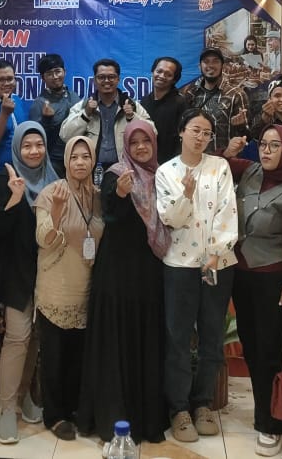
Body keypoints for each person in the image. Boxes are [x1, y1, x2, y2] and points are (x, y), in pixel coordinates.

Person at [76, 120, 170, 445]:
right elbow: (110, 217)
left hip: (149, 271)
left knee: (146, 338)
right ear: (126, 146)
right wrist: (119, 193)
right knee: (116, 340)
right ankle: (114, 415)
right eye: (134, 142)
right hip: (117, 271)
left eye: (146, 141)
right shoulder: (116, 174)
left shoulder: (163, 175)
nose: (141, 147)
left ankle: (148, 417)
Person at [155, 109, 239, 443]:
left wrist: (217, 252)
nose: (201, 137)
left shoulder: (220, 166)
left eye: (206, 133)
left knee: (212, 336)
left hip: (218, 264)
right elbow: (170, 219)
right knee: (177, 338)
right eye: (195, 130)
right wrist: (186, 195)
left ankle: (203, 403)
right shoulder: (166, 172)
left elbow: (227, 209)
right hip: (179, 265)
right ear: (181, 132)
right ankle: (179, 409)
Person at [227, 124, 282, 456]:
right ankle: (265, 412)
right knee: (252, 348)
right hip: (241, 276)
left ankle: (273, 425)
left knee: (272, 352)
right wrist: (230, 150)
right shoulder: (250, 172)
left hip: (273, 280)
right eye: (263, 144)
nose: (267, 150)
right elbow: (213, 163)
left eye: (275, 146)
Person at [34, 135, 105, 440]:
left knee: (78, 355)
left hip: (87, 286)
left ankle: (74, 408)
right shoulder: (52, 193)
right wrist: (58, 211)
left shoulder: (98, 197)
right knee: (54, 356)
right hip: (56, 286)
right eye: (74, 157)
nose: (80, 162)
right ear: (65, 161)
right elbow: (43, 238)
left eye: (85, 157)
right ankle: (54, 415)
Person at [0, 121, 57, 443]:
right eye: (27, 145)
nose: (34, 151)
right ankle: (7, 409)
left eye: (39, 144)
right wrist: (15, 198)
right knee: (17, 338)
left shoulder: (54, 181)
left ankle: (25, 395)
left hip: (48, 273)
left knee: (35, 340)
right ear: (17, 147)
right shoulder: (5, 180)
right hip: (17, 274)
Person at [62, 59, 154, 169]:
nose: (106, 81)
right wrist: (85, 114)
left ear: (118, 79)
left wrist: (132, 117)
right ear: (94, 80)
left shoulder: (132, 105)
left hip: (124, 168)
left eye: (111, 77)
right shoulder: (83, 106)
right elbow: (65, 136)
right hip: (91, 169)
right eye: (101, 77)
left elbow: (153, 133)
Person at [180, 48, 248, 153]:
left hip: (224, 159)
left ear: (223, 66)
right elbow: (183, 128)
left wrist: (239, 126)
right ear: (200, 66)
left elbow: (247, 136)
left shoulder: (236, 94)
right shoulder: (190, 93)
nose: (210, 65)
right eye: (206, 61)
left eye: (215, 61)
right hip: (195, 158)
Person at [28, 53, 80, 169]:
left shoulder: (74, 96)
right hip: (53, 162)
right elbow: (35, 139)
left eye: (58, 71)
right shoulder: (39, 103)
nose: (55, 76)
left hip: (75, 157)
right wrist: (46, 120)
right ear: (43, 78)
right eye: (49, 74)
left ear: (64, 72)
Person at [140, 56, 187, 163]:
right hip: (146, 162)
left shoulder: (180, 103)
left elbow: (184, 138)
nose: (161, 76)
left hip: (171, 164)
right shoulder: (144, 102)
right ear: (153, 72)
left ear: (174, 79)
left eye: (168, 74)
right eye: (159, 71)